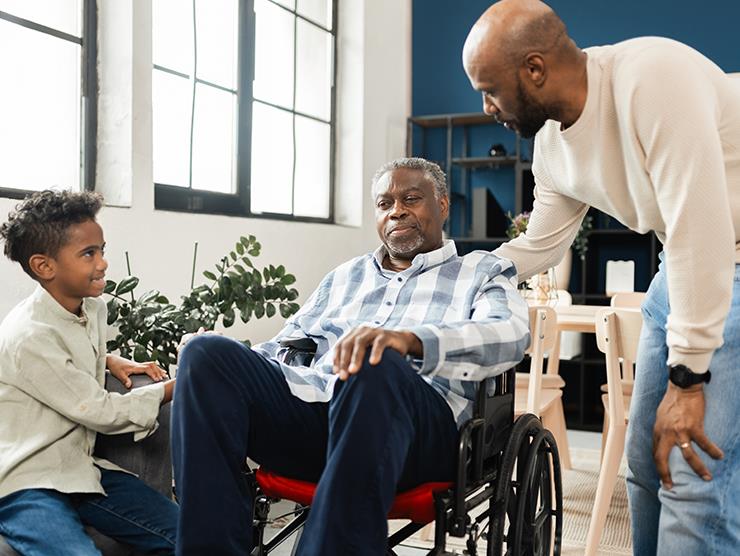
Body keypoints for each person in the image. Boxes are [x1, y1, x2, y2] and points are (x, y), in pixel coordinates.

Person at [462, 1, 740, 553]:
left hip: (724, 266)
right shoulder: (551, 143)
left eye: (489, 89)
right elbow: (542, 240)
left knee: (692, 478)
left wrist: (689, 384)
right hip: (678, 275)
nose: (488, 106)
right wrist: (464, 271)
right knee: (642, 466)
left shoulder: (651, 79)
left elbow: (699, 228)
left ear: (534, 69)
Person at [171, 157, 530, 555]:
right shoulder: (345, 276)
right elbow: (284, 346)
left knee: (374, 360)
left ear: (442, 205)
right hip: (320, 413)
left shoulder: (480, 270)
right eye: (384, 203)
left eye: (411, 198)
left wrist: (409, 340)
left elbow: (511, 334)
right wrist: (218, 370)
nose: (396, 210)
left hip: (421, 427)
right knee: (206, 354)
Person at [0, 190, 178, 555]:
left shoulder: (92, 309)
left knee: (190, 536)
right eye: (88, 254)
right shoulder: (29, 334)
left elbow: (65, 353)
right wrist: (174, 387)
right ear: (44, 266)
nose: (103, 263)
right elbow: (100, 411)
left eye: (101, 249)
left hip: (81, 470)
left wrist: (108, 358)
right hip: (27, 481)